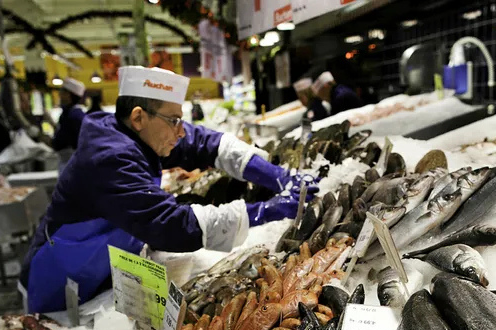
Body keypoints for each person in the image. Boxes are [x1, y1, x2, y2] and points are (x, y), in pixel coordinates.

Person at [20, 66, 317, 313]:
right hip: (61, 282)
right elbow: (172, 226)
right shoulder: (109, 158)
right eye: (174, 120)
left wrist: (277, 175)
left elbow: (203, 143)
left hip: (105, 267)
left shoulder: (137, 134)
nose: (181, 131)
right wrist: (267, 210)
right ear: (139, 117)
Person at [51, 78, 86, 165]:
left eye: (62, 92)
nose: (59, 95)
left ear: (69, 95)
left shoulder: (74, 116)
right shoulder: (69, 114)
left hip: (72, 163)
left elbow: (61, 142)